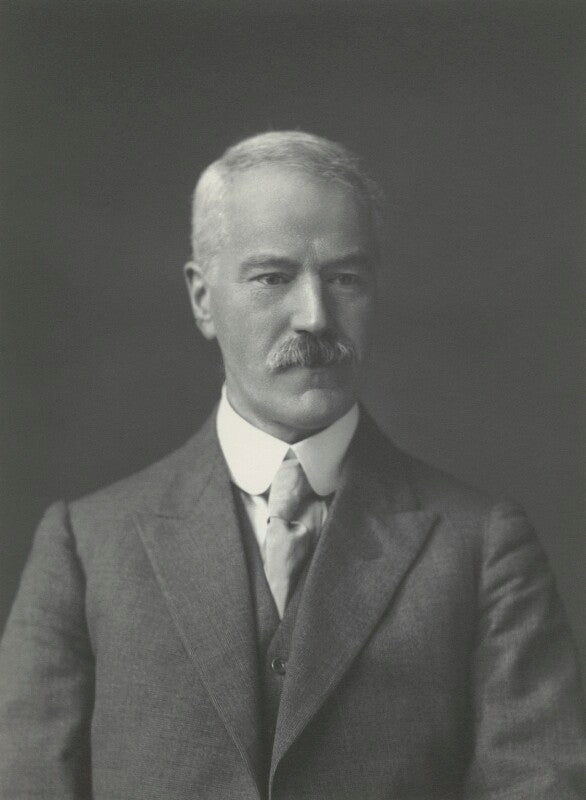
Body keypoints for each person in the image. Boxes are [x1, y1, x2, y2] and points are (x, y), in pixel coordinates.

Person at [0, 131, 584, 800]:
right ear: (202, 299)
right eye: (273, 278)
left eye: (345, 279)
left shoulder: (483, 548)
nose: (314, 316)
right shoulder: (85, 548)